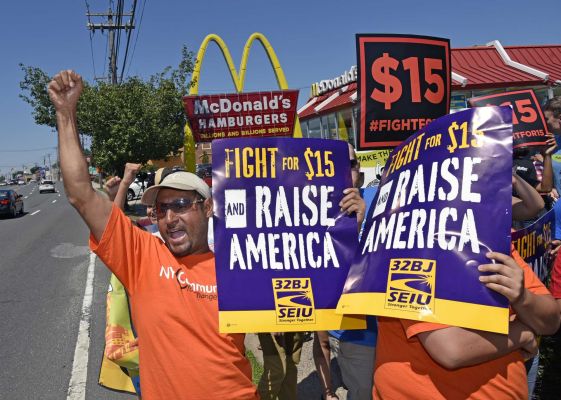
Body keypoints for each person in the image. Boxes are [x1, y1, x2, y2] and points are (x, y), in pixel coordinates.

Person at [48, 70, 257, 400]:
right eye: (161, 209)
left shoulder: (240, 265)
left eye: (180, 204)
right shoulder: (142, 257)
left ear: (207, 208)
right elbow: (80, 194)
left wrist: (353, 221)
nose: (170, 218)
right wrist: (65, 113)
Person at [373, 243, 560, 398]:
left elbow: (551, 322)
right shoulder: (404, 245)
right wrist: (522, 333)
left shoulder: (491, 236)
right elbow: (451, 349)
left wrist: (522, 298)